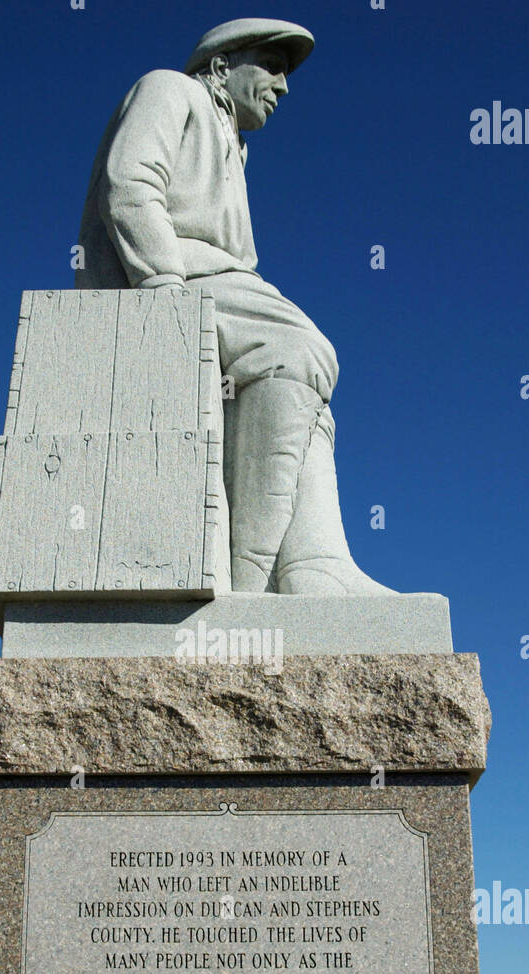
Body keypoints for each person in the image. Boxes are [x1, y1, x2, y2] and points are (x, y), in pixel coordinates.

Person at [75, 18, 390, 596]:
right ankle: (249, 584)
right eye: (271, 66)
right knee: (299, 349)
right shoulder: (171, 88)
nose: (284, 86)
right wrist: (162, 287)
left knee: (310, 391)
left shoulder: (235, 145)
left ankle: (313, 565)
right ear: (222, 66)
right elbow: (130, 182)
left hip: (217, 282)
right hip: (156, 276)